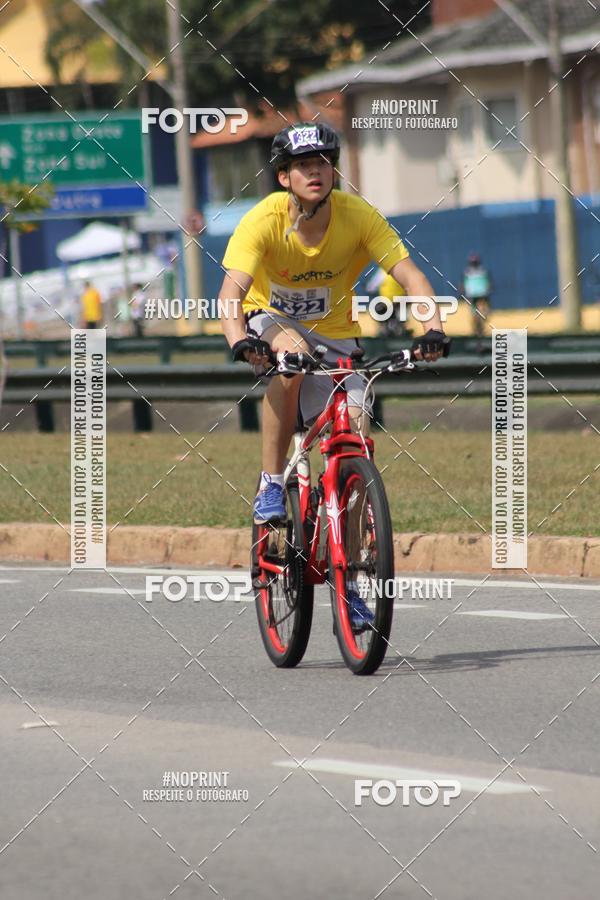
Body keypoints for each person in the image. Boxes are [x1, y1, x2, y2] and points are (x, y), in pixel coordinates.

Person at [218, 122, 449, 627]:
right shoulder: (262, 222)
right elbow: (230, 295)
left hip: (340, 333)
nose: (315, 172)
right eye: (303, 165)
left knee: (357, 427)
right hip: (271, 323)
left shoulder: (357, 215)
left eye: (323, 162)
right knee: (293, 355)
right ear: (284, 177)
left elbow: (409, 275)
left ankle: (351, 567)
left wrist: (431, 325)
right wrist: (240, 340)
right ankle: (270, 484)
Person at [461, 253, 492, 349]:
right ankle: (478, 332)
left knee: (484, 314)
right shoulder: (467, 272)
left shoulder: (483, 271)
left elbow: (488, 283)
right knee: (475, 316)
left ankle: (480, 329)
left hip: (482, 296)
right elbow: (464, 284)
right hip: (473, 297)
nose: (474, 264)